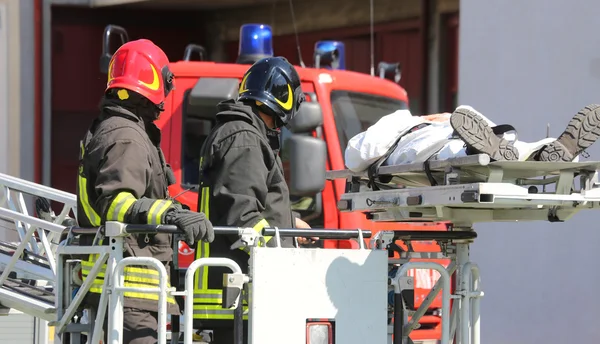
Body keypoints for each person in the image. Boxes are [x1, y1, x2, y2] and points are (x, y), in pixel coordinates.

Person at [76, 39, 214, 344]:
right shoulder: (128, 137)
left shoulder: (119, 130)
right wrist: (169, 213)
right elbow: (115, 203)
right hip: (129, 286)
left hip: (128, 285)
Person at [192, 56, 316, 343]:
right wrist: (283, 259)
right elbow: (244, 219)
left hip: (243, 295)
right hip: (241, 297)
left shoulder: (242, 134)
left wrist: (288, 224)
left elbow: (248, 203)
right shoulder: (244, 138)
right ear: (284, 99)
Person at [345, 104, 600, 174]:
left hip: (436, 137)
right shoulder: (402, 125)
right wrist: (423, 118)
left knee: (452, 148)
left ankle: (549, 151)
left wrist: (437, 118)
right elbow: (359, 156)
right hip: (434, 137)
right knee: (453, 150)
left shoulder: (405, 127)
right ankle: (542, 150)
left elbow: (357, 156)